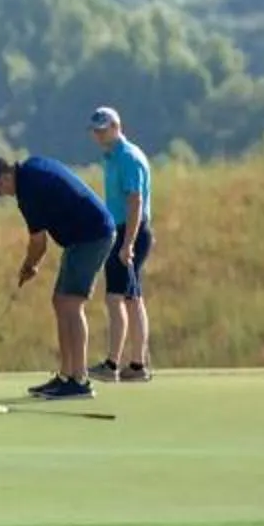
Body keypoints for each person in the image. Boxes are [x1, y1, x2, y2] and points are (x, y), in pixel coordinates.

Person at [0, 153, 115, 400]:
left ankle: (79, 380)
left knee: (70, 304)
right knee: (61, 302)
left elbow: (38, 244)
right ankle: (66, 376)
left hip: (91, 236)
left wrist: (28, 267)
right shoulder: (32, 166)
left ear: (5, 177)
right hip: (85, 235)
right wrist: (32, 264)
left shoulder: (28, 193)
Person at [88, 106, 155, 383]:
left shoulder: (127, 157)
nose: (99, 135)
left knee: (117, 298)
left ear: (116, 127)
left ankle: (114, 364)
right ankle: (136, 366)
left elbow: (135, 201)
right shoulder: (112, 157)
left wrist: (127, 243)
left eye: (104, 129)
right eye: (96, 130)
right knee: (130, 297)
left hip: (131, 231)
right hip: (123, 230)